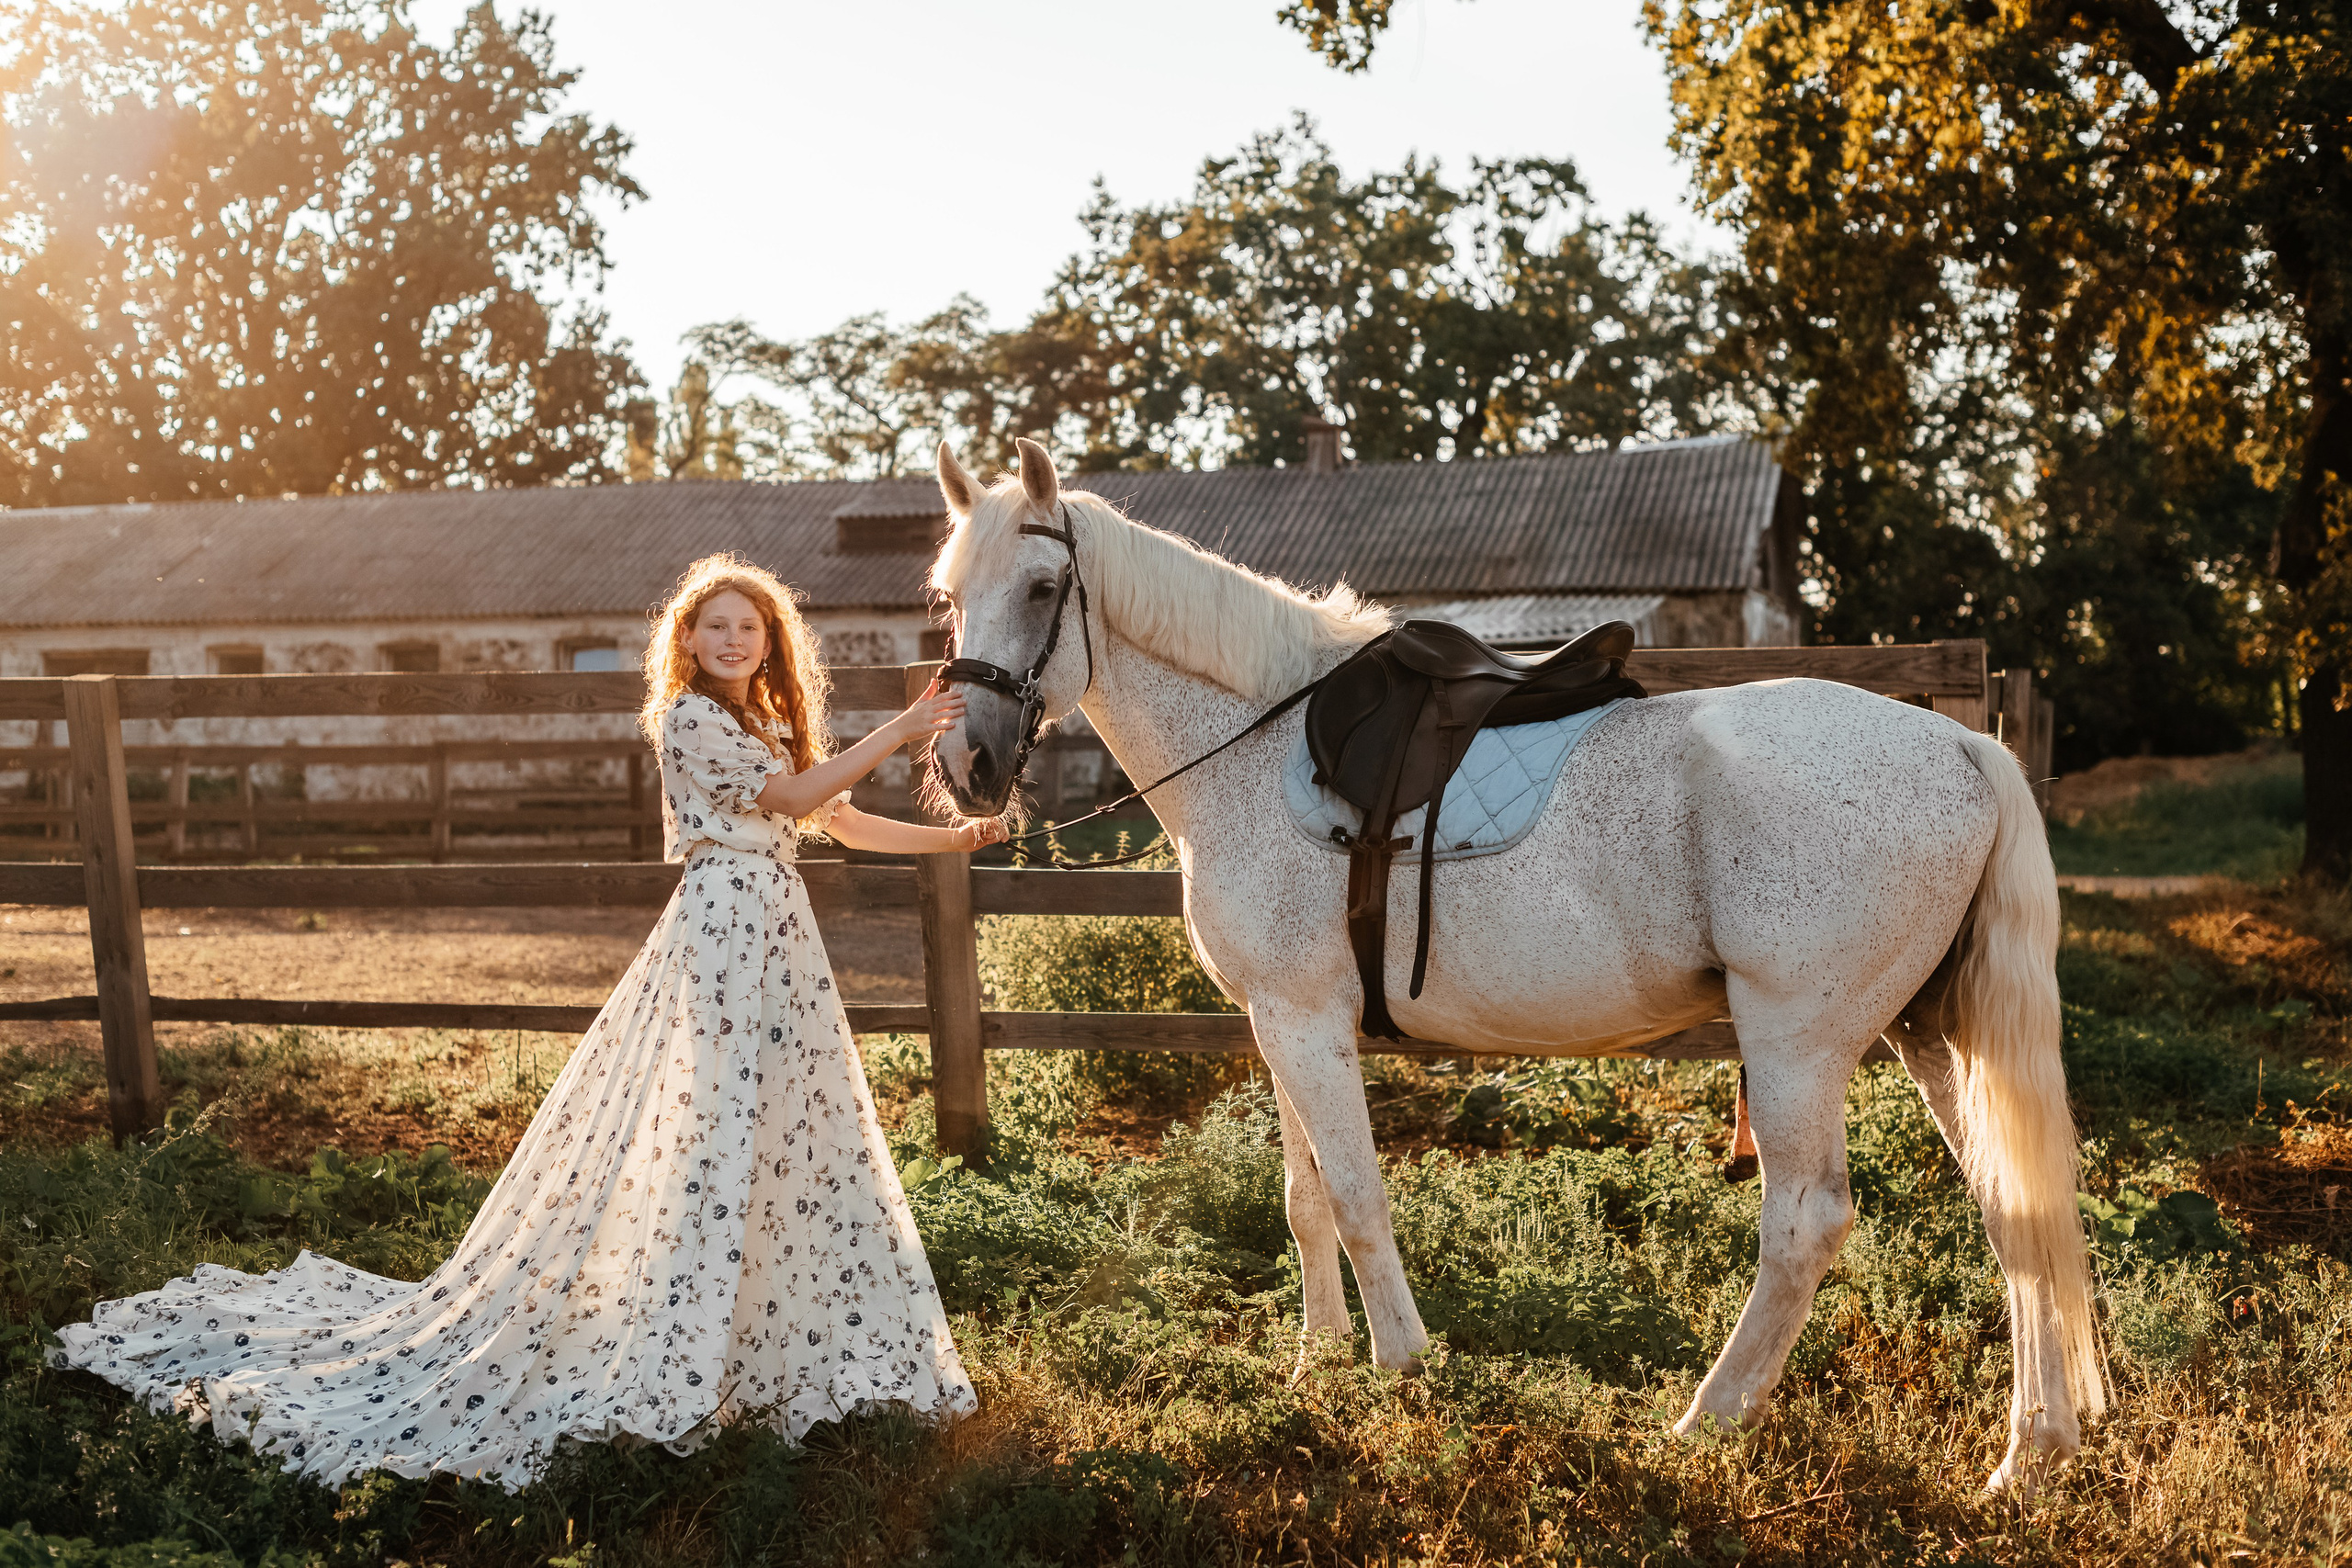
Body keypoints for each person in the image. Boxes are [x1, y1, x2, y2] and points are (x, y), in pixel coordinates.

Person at [52, 552, 1005, 1488]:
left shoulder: (765, 717)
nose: (730, 638)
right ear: (688, 638)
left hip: (778, 932)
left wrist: (950, 841)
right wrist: (905, 726)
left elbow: (833, 819)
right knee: (711, 1121)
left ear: (768, 643)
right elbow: (793, 796)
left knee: (788, 1127)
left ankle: (763, 1331)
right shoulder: (686, 718)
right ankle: (679, 1322)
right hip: (721, 931)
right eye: (713, 624)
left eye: (746, 626)